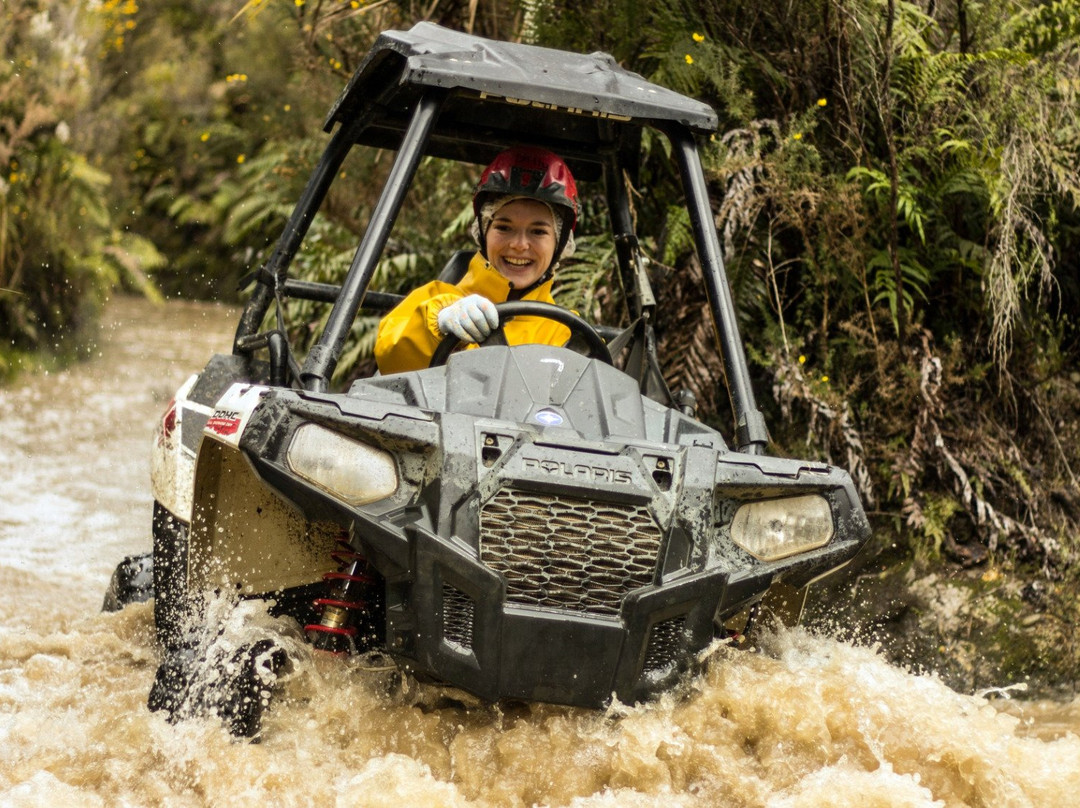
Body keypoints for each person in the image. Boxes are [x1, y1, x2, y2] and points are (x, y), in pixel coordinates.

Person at [374, 146, 579, 374]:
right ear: (483, 232)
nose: (519, 244)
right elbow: (390, 356)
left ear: (559, 244)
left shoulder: (570, 333)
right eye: (504, 227)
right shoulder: (434, 302)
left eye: (538, 232)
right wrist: (438, 327)